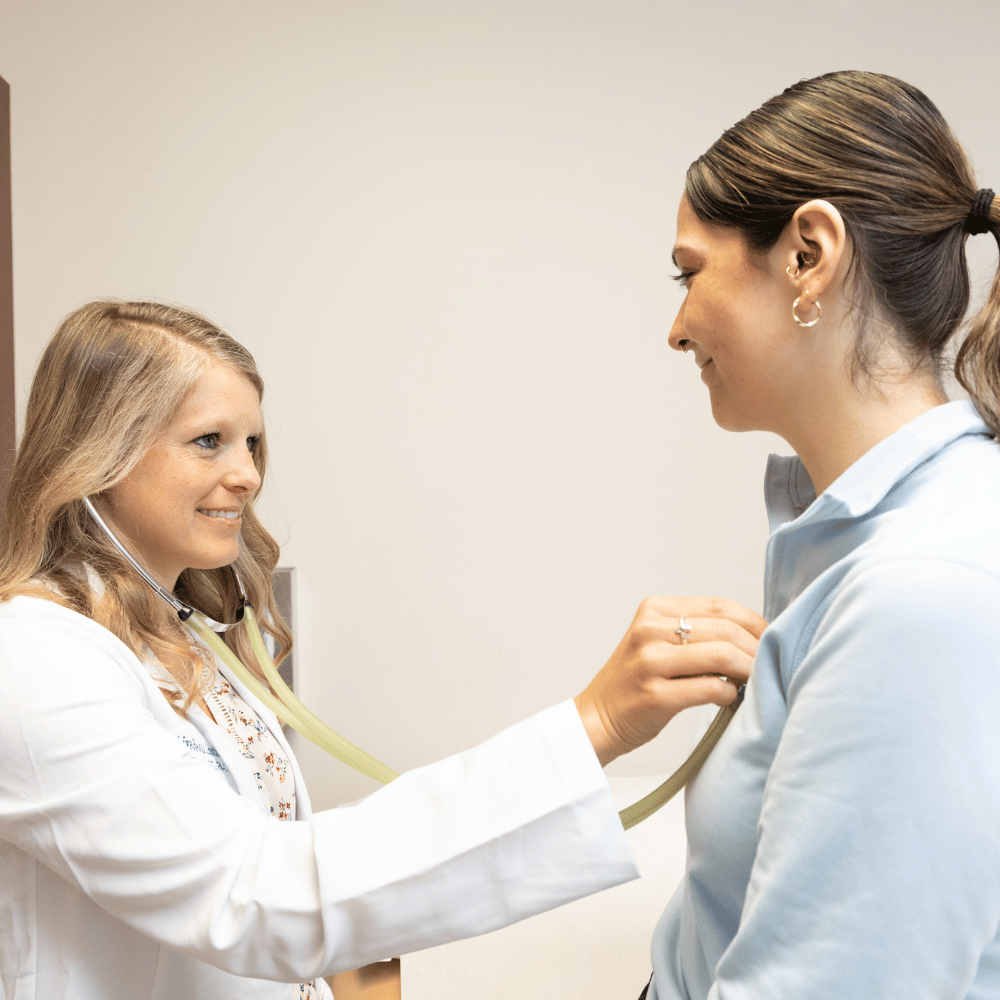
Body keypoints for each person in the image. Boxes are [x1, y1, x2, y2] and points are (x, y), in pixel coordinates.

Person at [0, 300, 761, 1000]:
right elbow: (254, 895)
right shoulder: (36, 660)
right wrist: (596, 723)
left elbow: (291, 869)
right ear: (100, 452)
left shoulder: (190, 639)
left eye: (252, 442)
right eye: (209, 442)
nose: (248, 474)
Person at [642, 70, 1000, 999]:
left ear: (809, 254)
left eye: (690, 273)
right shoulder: (854, 541)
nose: (677, 331)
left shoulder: (919, 588)